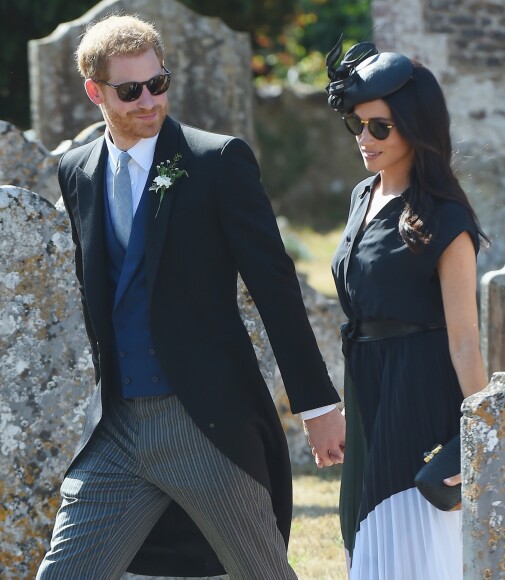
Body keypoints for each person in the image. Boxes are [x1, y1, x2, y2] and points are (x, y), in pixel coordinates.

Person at [37, 14, 346, 580]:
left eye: (159, 83)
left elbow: (275, 286)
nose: (149, 100)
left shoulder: (215, 162)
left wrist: (318, 404)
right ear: (95, 92)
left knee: (264, 574)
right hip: (119, 428)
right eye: (130, 91)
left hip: (203, 426)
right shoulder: (76, 170)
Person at [325, 39, 489, 579]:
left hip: (418, 392)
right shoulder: (360, 196)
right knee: (362, 539)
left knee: (408, 550)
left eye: (380, 127)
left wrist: (480, 436)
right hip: (368, 387)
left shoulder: (445, 217)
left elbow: (465, 339)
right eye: (358, 125)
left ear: (415, 128)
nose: (364, 139)